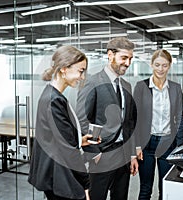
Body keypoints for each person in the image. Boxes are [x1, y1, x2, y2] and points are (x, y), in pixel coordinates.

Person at [28, 45, 99, 200]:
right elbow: (68, 150)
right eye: (80, 71)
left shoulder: (52, 94)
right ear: (64, 69)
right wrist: (86, 183)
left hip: (55, 171)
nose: (82, 77)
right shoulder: (54, 100)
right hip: (58, 175)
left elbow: (57, 138)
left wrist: (79, 140)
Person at [76, 37, 138, 200]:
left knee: (121, 197)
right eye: (124, 58)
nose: (127, 63)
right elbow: (82, 121)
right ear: (110, 55)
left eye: (130, 59)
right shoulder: (91, 82)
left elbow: (128, 123)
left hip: (123, 154)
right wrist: (94, 153)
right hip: (102, 155)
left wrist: (132, 155)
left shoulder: (126, 85)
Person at [133, 49, 183, 200]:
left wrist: (180, 148)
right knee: (145, 188)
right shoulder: (141, 87)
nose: (160, 69)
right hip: (146, 144)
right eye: (157, 65)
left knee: (166, 187)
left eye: (164, 65)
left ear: (169, 66)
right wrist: (136, 146)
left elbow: (180, 118)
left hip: (168, 143)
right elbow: (135, 118)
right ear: (151, 65)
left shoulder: (175, 88)